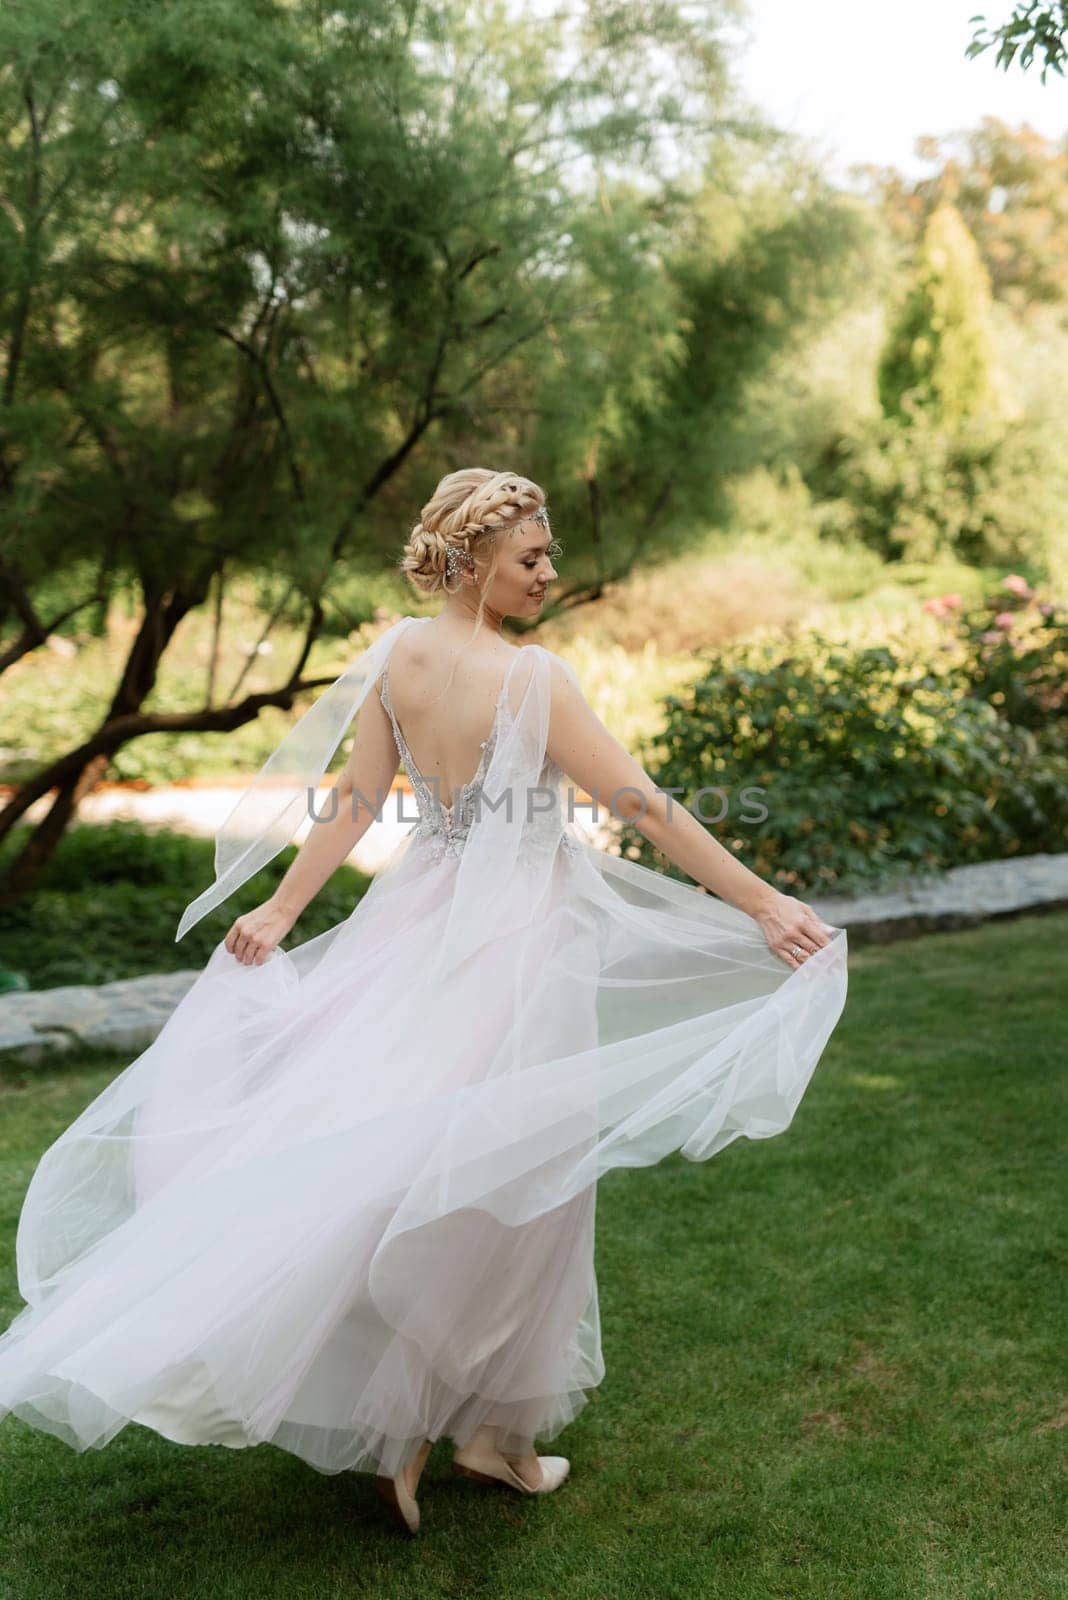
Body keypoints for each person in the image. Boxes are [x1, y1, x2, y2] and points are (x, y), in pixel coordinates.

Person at [0, 467, 847, 1537]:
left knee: (396, 1150)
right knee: (519, 1179)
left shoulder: (398, 654)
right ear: (476, 560)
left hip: (421, 921)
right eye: (532, 556)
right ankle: (475, 1434)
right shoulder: (534, 679)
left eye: (546, 555)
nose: (550, 572)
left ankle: (438, 1426)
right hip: (523, 940)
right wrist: (765, 903)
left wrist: (284, 907)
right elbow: (647, 807)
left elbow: (351, 803)